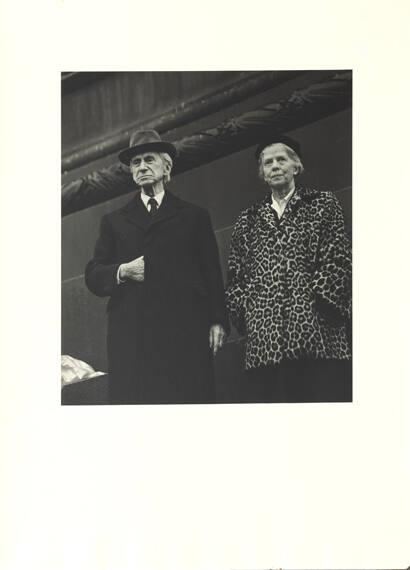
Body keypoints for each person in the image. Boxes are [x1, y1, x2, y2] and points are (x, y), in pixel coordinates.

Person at [85, 129, 228, 404]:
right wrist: (122, 271)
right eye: (136, 163)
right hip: (134, 339)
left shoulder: (193, 216)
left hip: (184, 333)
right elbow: (93, 274)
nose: (142, 167)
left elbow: (211, 271)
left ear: (166, 166)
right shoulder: (114, 221)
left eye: (149, 160)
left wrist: (217, 321)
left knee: (187, 405)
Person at [225, 135, 352, 402]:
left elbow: (338, 261)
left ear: (296, 166)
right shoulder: (248, 219)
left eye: (281, 159)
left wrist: (317, 305)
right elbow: (236, 277)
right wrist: (248, 314)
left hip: (318, 336)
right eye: (267, 162)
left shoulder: (322, 204)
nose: (274, 166)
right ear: (262, 173)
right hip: (264, 343)